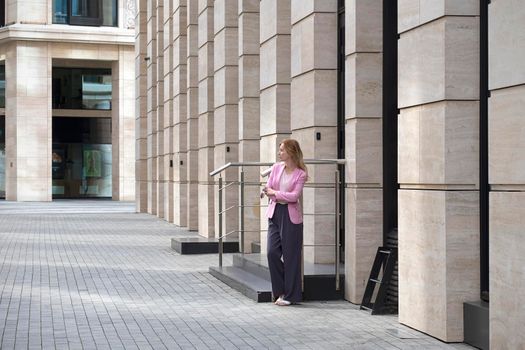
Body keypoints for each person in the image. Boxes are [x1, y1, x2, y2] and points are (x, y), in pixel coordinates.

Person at [262, 139, 307, 306]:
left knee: (291, 257)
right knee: (272, 252)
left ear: (291, 152)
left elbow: (294, 197)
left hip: (291, 217)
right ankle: (280, 291)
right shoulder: (276, 168)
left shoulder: (300, 174)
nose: (279, 153)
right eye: (279, 150)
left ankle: (290, 296)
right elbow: (268, 189)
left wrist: (275, 192)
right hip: (275, 213)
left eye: (282, 150)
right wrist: (274, 193)